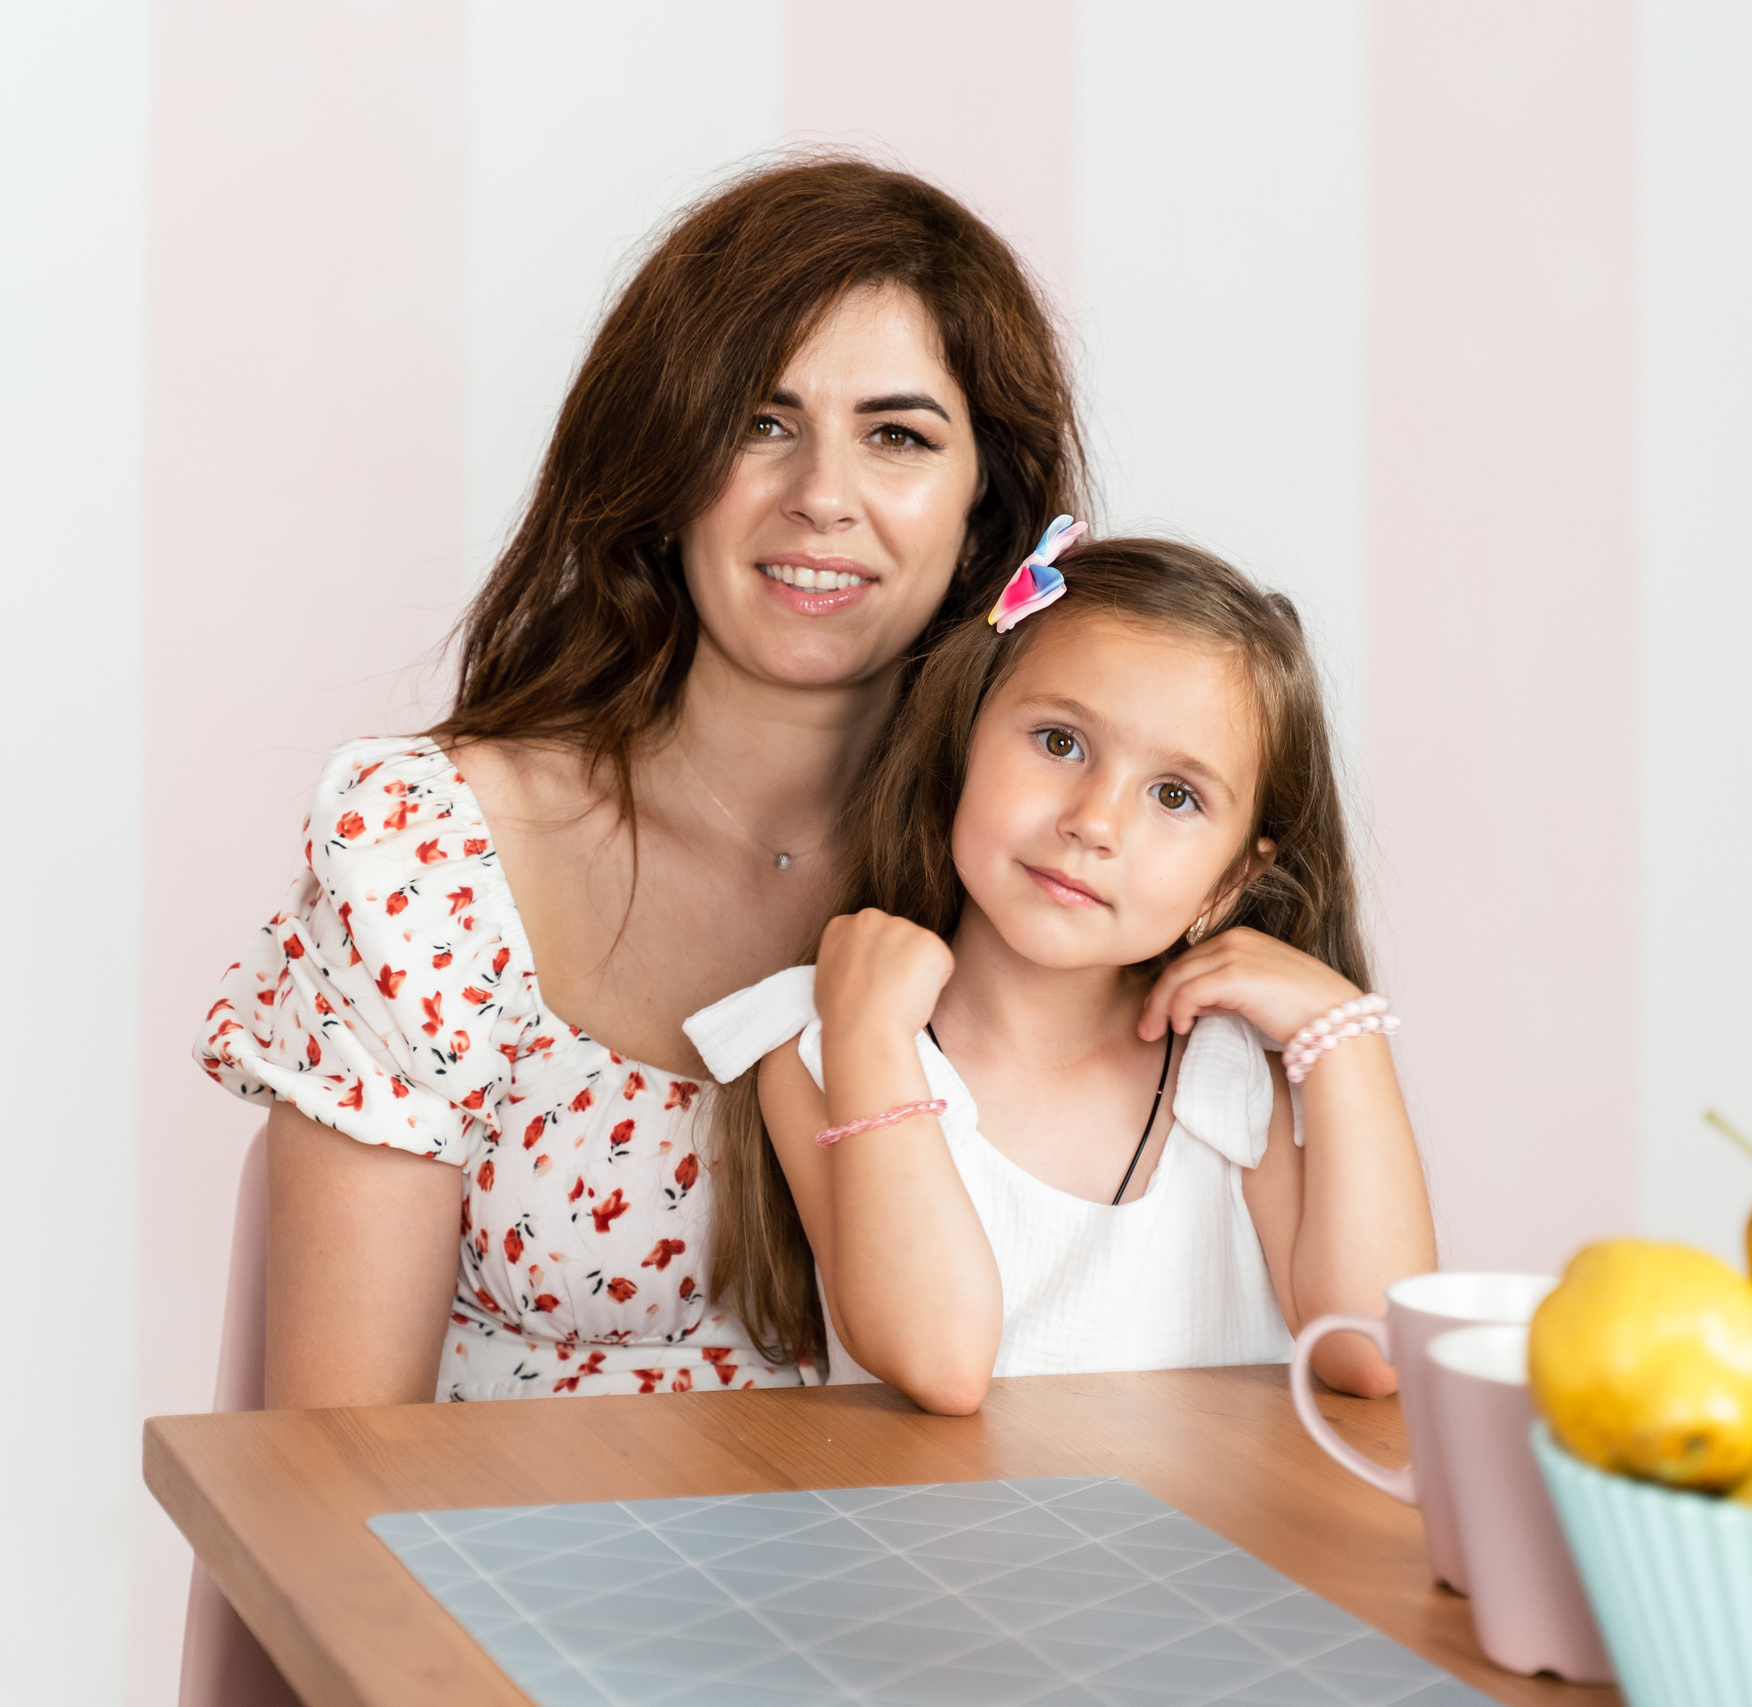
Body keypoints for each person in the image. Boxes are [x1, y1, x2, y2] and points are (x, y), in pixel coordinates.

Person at [195, 157, 1088, 1406]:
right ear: (665, 471)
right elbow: (342, 1479)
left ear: (984, 510)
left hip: (939, 1594)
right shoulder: (426, 851)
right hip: (496, 1593)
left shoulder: (1073, 871)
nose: (822, 496)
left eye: (897, 435)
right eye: (760, 424)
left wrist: (1331, 1046)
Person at [689, 535, 1438, 1414]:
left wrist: (1344, 1036)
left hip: (1211, 1548)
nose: (1094, 822)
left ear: (1233, 879)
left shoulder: (1237, 1071)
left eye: (1174, 795)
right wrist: (868, 1034)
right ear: (963, 740)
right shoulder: (826, 1043)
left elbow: (1373, 1353)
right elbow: (942, 1361)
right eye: (1059, 741)